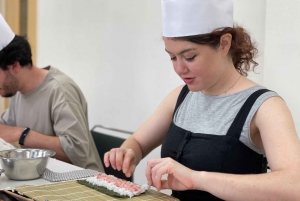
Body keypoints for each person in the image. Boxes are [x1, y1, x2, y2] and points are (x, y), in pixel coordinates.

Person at [104, 0, 300, 200]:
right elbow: (137, 142)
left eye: (189, 57)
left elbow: (294, 185)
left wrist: (197, 179)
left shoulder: (265, 106)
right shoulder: (181, 97)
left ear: (224, 44)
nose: (180, 69)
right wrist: (127, 153)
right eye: (172, 57)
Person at [0, 14, 103, 172]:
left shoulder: (60, 90)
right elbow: (4, 129)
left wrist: (21, 134)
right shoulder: (19, 91)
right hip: (42, 180)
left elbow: (77, 152)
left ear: (14, 66)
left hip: (82, 183)